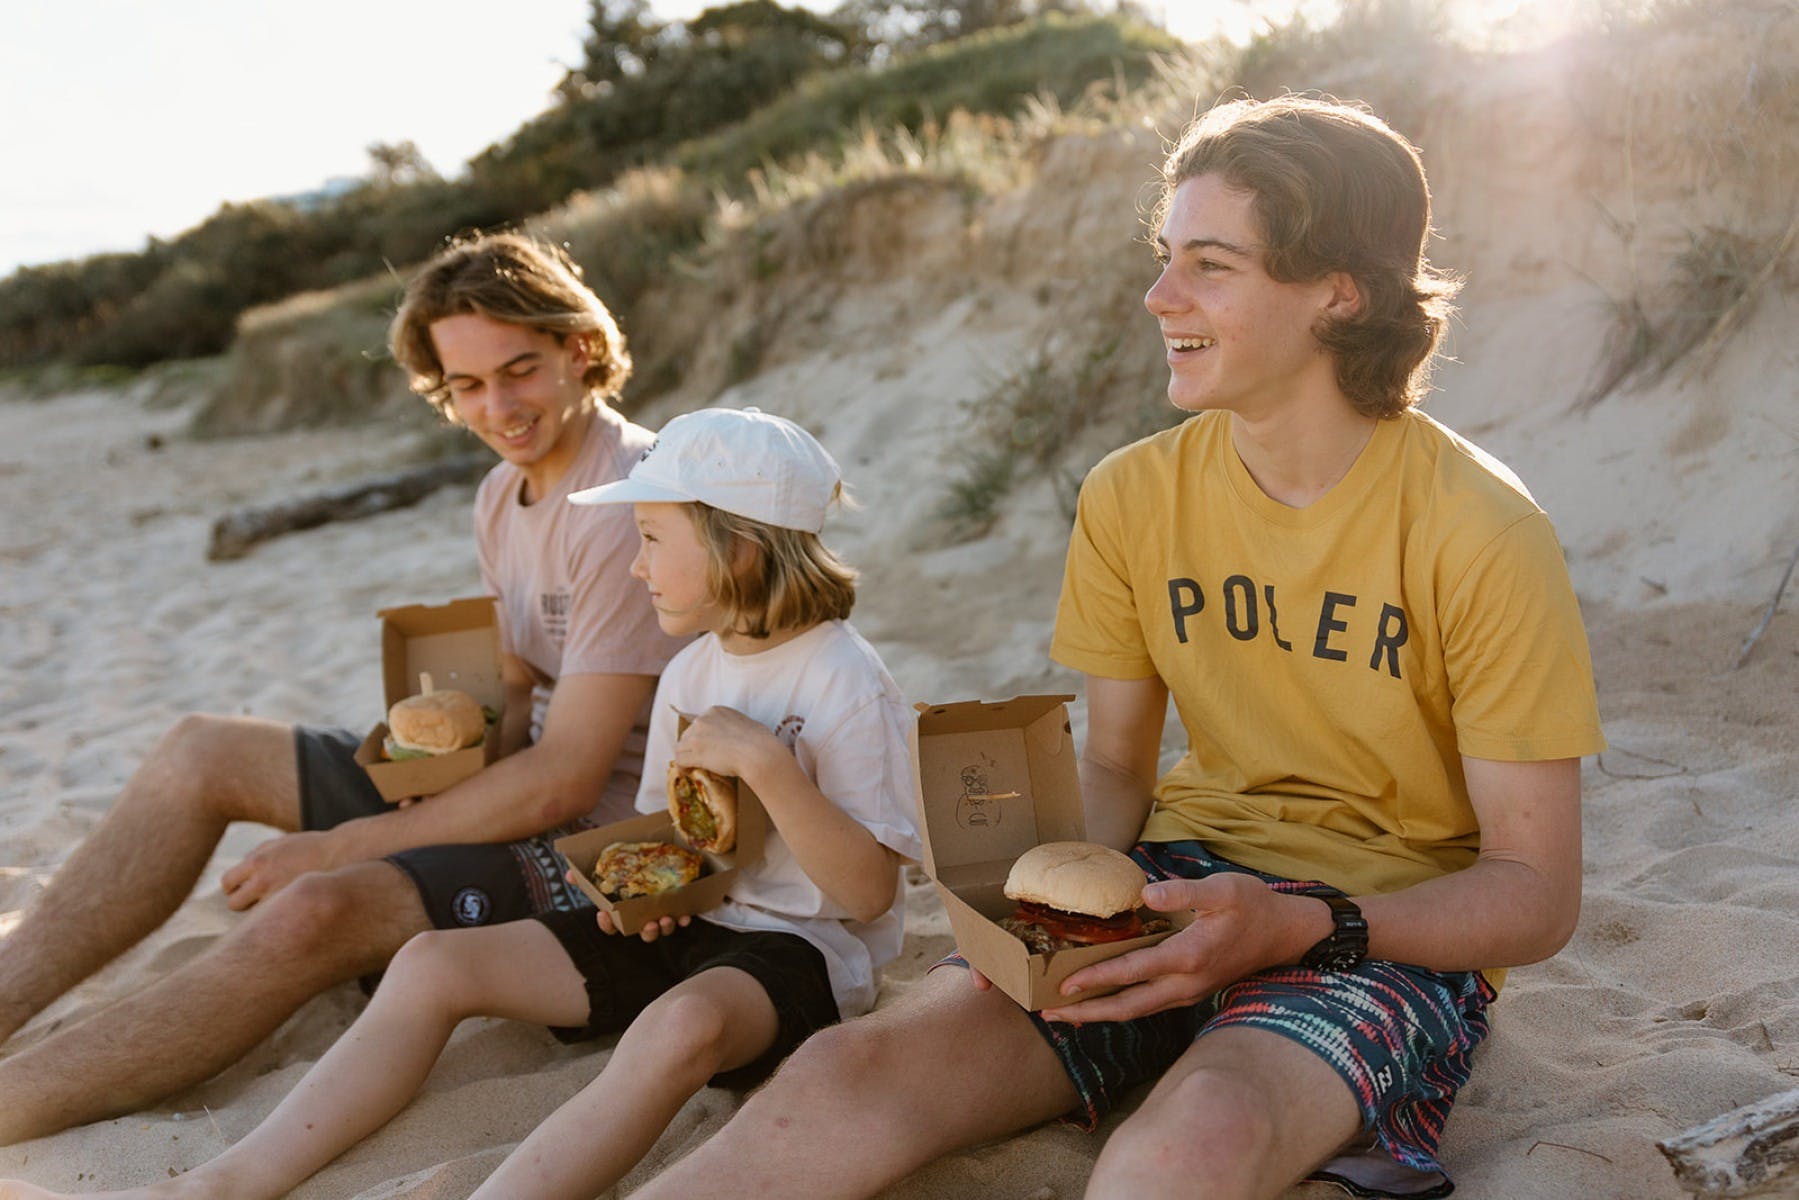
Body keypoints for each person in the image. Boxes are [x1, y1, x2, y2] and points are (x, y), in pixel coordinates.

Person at [625, 95, 1608, 1200]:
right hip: (1169, 885)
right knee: (845, 1073)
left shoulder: (1478, 529)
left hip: (1371, 929)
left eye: (1210, 265)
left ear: (1339, 290)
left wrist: (1300, 922)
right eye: (1162, 256)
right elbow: (1111, 771)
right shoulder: (1131, 496)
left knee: (1189, 1141)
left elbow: (1532, 892)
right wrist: (1021, 902)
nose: (1158, 296)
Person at [0, 406, 924, 1200]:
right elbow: (669, 841)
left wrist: (768, 766)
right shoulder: (692, 667)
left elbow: (869, 893)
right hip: (689, 928)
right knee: (433, 964)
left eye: (650, 539)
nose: (636, 567)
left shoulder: (844, 678)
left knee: (677, 1026)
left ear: (738, 545)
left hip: (801, 950)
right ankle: (229, 1177)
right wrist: (637, 897)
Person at [0, 233, 687, 1145]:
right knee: (203, 750)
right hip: (528, 783)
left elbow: (565, 781)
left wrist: (346, 846)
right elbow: (517, 701)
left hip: (620, 844)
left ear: (580, 349)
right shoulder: (500, 493)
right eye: (468, 386)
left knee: (314, 908)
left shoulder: (625, 499)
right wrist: (425, 749)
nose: (499, 407)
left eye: (520, 370)